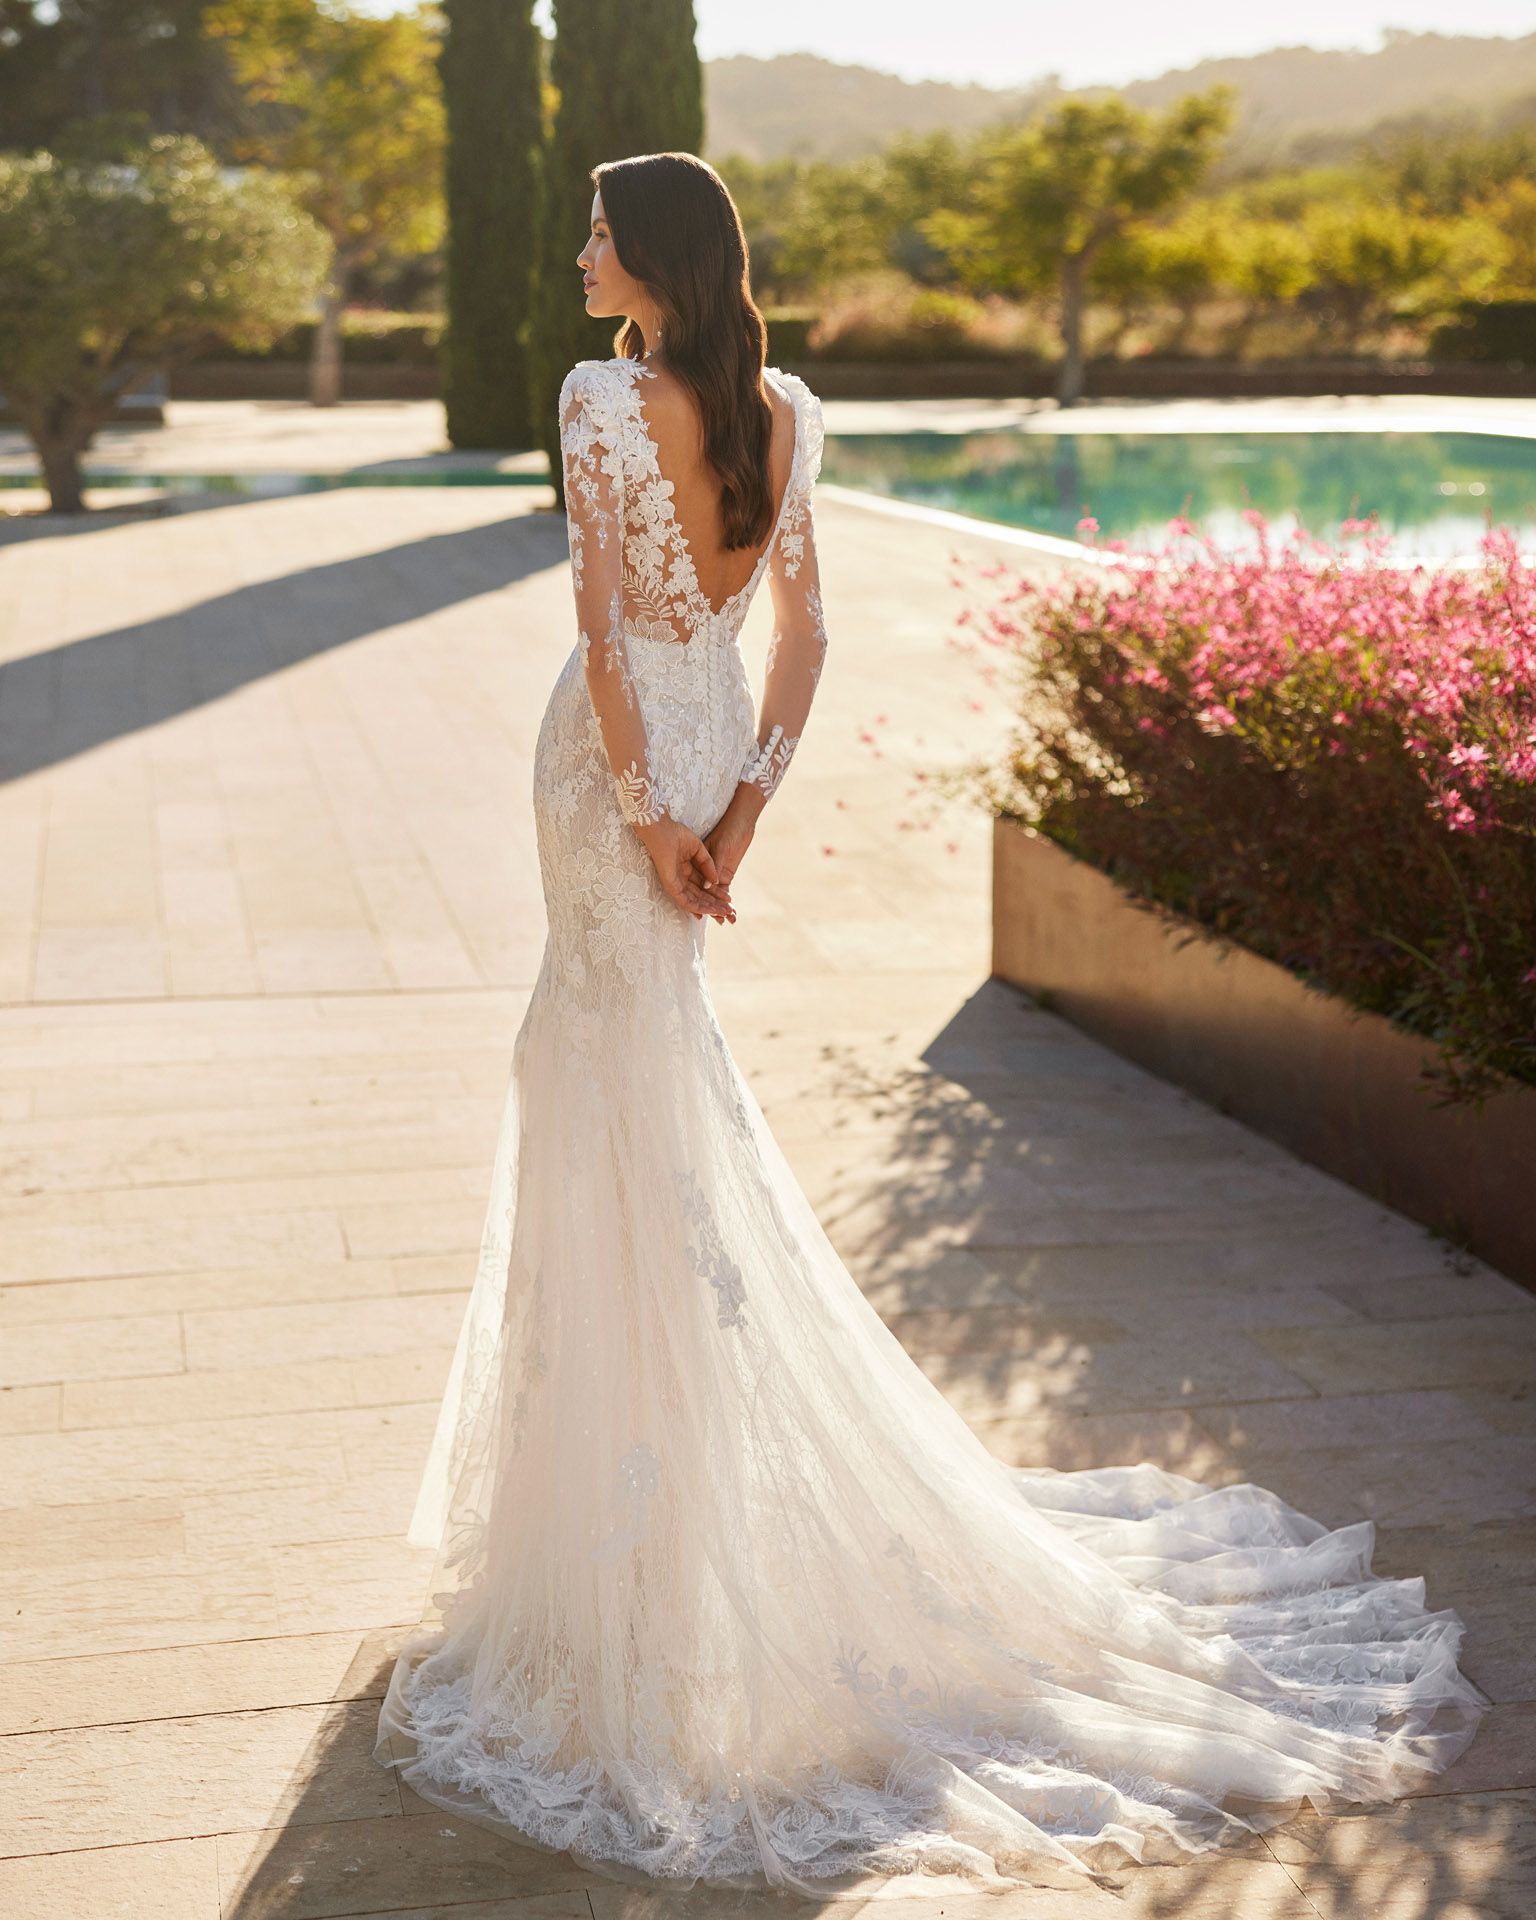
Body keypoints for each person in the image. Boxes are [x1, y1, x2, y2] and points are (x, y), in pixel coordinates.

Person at [373, 150, 1484, 1902]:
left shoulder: (601, 394)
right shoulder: (788, 408)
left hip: (608, 775)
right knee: (638, 1080)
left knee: (606, 1079)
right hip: (708, 747)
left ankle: (637, 1548)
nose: (578, 252)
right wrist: (740, 803)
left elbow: (600, 617)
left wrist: (658, 804)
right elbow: (807, 634)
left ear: (652, 257)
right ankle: (653, 1505)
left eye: (596, 230)